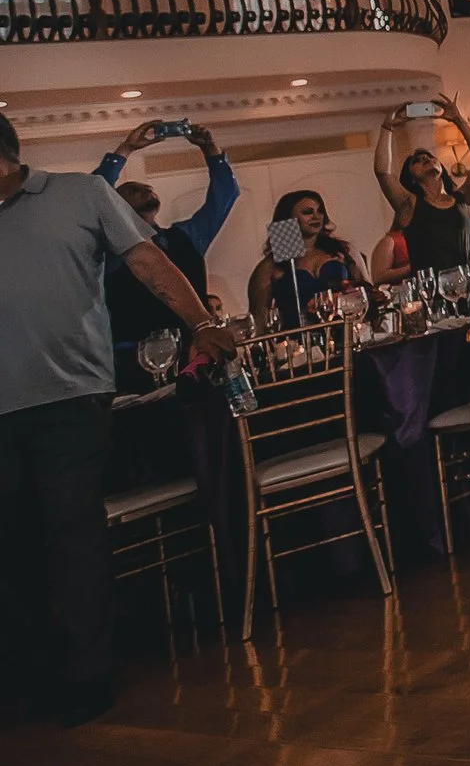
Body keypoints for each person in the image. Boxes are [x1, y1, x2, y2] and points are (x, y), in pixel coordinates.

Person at [0, 111, 238, 726]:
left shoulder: (81, 193)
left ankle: (86, 675)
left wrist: (204, 325)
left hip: (70, 400)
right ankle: (24, 676)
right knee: (12, 550)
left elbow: (151, 266)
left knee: (72, 536)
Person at [93, 119, 235, 390]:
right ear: (116, 205)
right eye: (132, 190)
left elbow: (224, 196)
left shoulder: (186, 237)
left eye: (147, 188)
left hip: (193, 350)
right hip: (134, 358)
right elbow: (92, 195)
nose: (144, 189)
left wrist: (211, 151)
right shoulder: (110, 249)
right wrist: (124, 150)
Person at [373, 98, 470, 273]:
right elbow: (382, 172)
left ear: (441, 166)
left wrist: (458, 119)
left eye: (429, 157)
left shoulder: (464, 197)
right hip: (433, 289)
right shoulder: (409, 205)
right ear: (412, 178)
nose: (425, 159)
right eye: (416, 161)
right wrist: (387, 127)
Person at [246, 189, 366, 328]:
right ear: (289, 218)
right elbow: (259, 316)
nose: (316, 216)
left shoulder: (342, 250)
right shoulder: (270, 266)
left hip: (346, 331)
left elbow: (364, 290)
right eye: (308, 212)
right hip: (298, 339)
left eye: (320, 211)